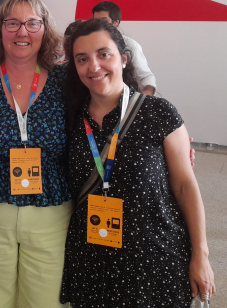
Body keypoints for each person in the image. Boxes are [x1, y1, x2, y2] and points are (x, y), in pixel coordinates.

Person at [60, 18, 215, 307]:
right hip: (92, 263)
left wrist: (201, 255)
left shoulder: (159, 112)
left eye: (103, 54)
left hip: (155, 260)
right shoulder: (70, 118)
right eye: (82, 59)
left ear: (123, 58)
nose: (93, 66)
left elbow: (185, 186)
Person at [0, 0, 72, 308]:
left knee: (45, 298)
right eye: (12, 23)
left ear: (45, 29)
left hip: (50, 208)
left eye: (32, 23)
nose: (22, 32)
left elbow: (111, 97)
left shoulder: (65, 79)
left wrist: (169, 136)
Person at [92, 1, 156, 95]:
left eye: (104, 21)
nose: (99, 25)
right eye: (96, 21)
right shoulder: (89, 44)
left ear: (116, 23)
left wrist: (143, 100)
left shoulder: (130, 45)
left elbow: (146, 77)